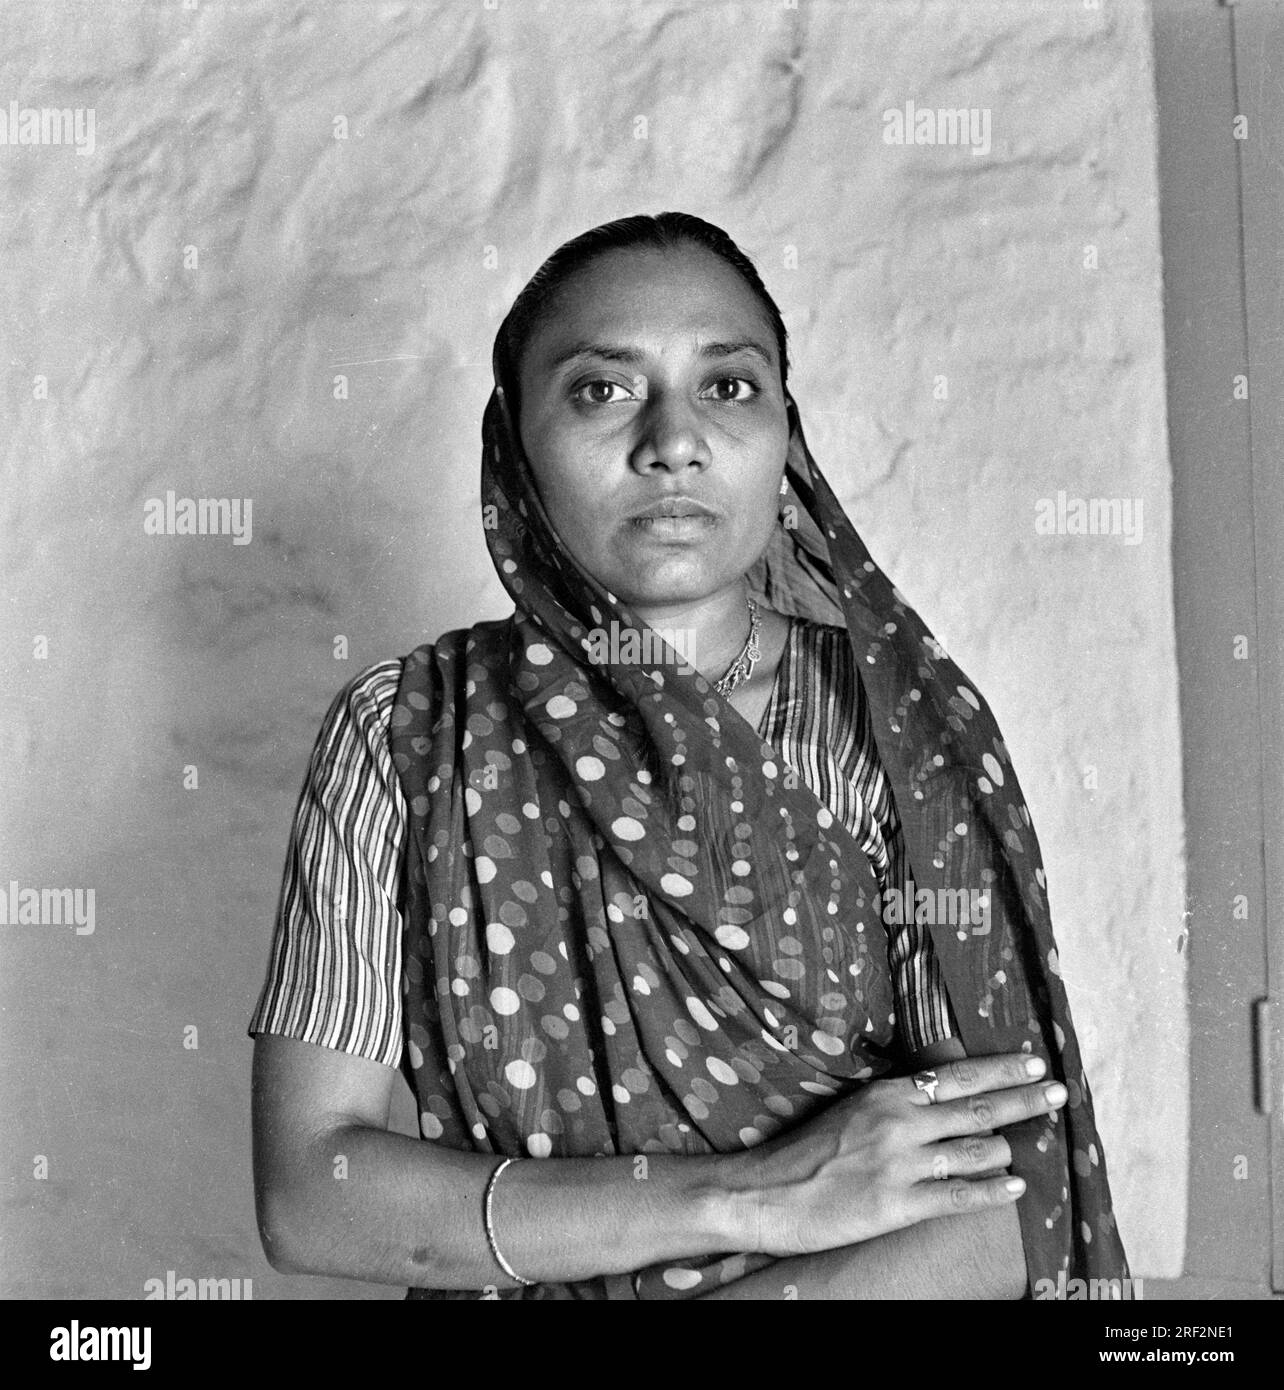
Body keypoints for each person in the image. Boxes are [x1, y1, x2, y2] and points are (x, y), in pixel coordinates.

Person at [248, 211, 1128, 1299]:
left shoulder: (901, 734)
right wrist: (751, 1194)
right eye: (601, 389)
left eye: (727, 386)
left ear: (784, 436)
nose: (673, 439)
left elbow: (1014, 1206)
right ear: (511, 444)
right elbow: (311, 1191)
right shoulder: (407, 730)